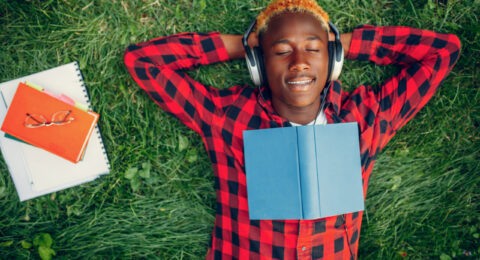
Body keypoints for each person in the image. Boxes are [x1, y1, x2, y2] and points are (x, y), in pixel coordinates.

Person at [124, 0, 460, 259]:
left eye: (313, 49)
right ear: (258, 64)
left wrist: (345, 43)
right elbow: (143, 61)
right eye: (281, 50)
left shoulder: (364, 118)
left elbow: (443, 52)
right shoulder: (226, 118)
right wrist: (243, 46)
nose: (299, 60)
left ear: (332, 59)